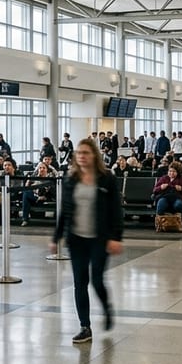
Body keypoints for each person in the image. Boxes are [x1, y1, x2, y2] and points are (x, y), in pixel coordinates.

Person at [51, 138, 123, 344]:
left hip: (99, 238)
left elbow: (116, 210)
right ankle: (85, 326)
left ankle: (107, 308)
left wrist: (116, 237)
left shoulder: (106, 178)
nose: (81, 156)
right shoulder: (71, 179)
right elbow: (65, 210)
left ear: (94, 155)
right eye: (79, 153)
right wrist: (57, 237)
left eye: (86, 153)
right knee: (79, 283)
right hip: (77, 239)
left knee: (97, 280)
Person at [21, 159, 57, 226]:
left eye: (44, 168)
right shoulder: (34, 178)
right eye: (40, 168)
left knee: (26, 197)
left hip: (46, 199)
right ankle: (25, 219)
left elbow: (53, 192)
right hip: (35, 198)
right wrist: (28, 180)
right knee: (26, 194)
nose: (42, 169)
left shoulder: (50, 179)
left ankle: (25, 219)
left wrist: (45, 196)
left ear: (47, 170)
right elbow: (26, 188)